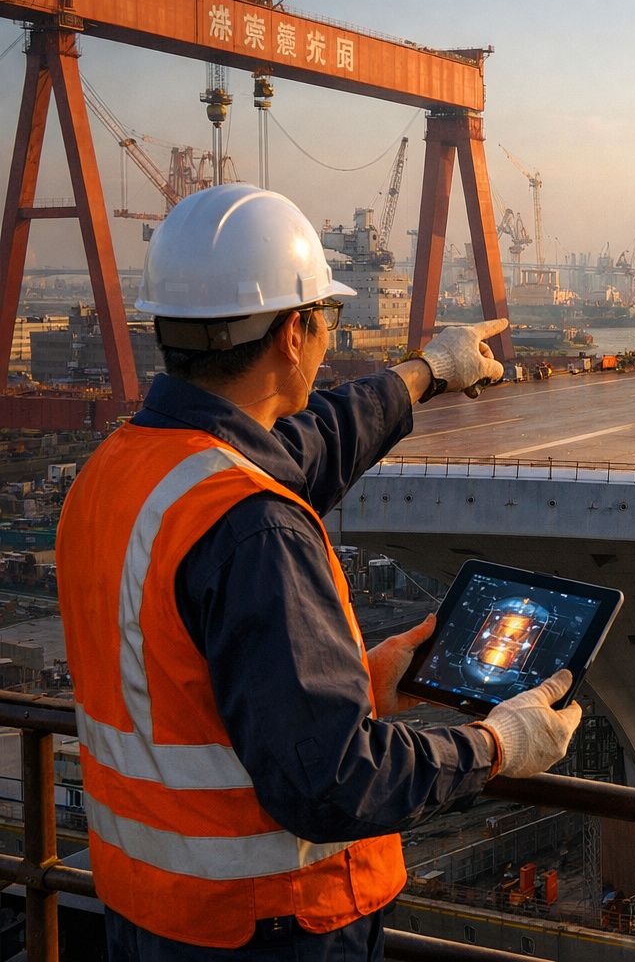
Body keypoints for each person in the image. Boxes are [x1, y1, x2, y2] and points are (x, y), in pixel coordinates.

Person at [55, 184, 583, 959]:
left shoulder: (114, 474)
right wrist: (498, 744)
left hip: (147, 910)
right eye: (328, 320)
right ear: (294, 333)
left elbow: (189, 690)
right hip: (273, 924)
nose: (331, 343)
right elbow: (331, 783)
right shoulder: (254, 529)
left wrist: (428, 371)